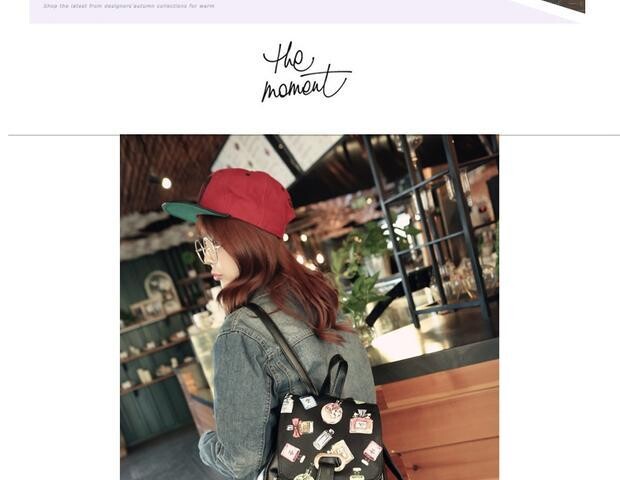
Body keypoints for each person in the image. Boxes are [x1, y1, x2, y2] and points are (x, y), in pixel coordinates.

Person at [162, 168, 377, 480]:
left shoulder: (241, 331)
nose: (207, 258)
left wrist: (206, 443)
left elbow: (239, 460)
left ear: (241, 239)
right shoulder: (320, 298)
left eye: (211, 242)